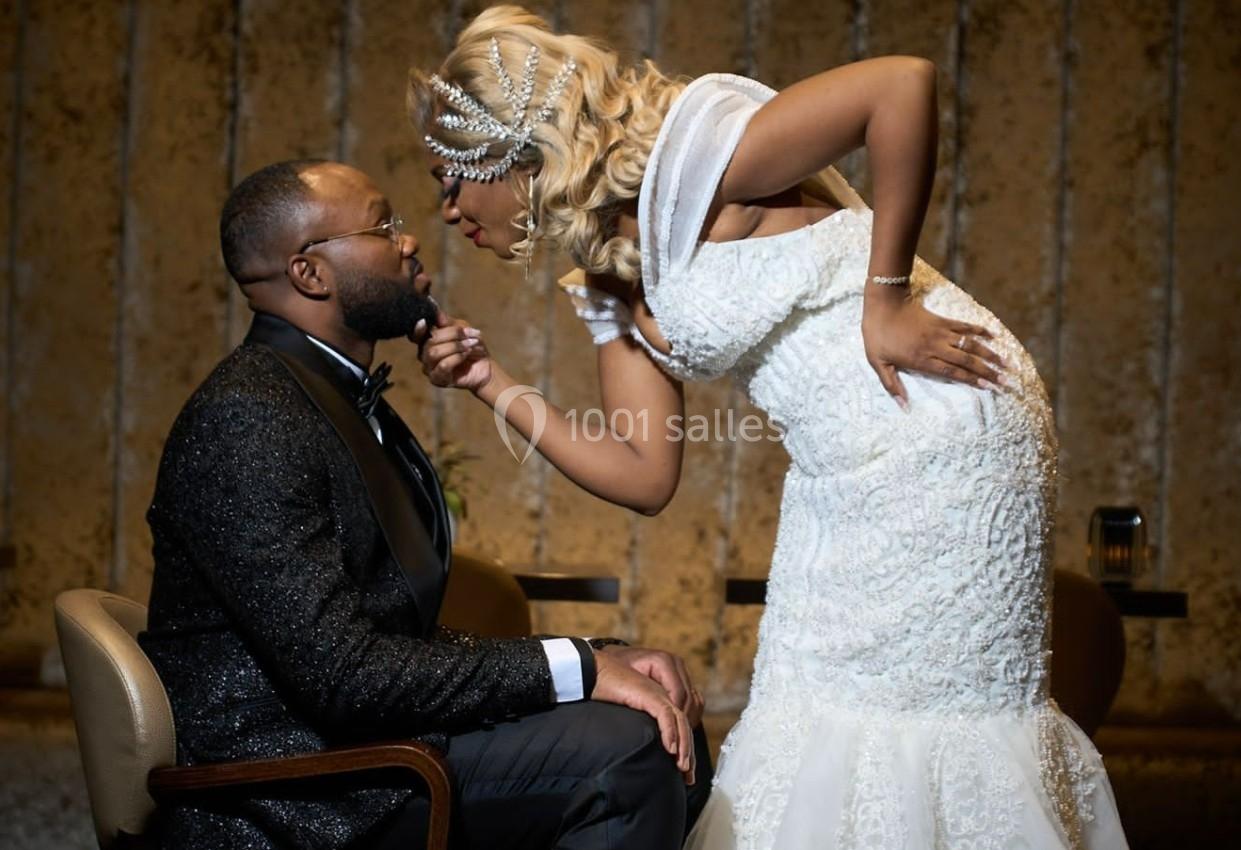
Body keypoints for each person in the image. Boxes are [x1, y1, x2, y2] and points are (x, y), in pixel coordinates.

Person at [406, 6, 1129, 849]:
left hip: (937, 420)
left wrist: (886, 296)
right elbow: (644, 474)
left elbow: (900, 86)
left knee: (917, 717)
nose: (449, 213)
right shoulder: (608, 275)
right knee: (816, 714)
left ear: (513, 151)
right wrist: (491, 383)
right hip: (842, 470)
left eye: (448, 180)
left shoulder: (695, 156)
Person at [139, 158, 712, 850]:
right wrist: (580, 671)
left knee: (667, 723)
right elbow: (345, 675)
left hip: (361, 755)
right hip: (300, 796)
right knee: (629, 757)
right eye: (385, 225)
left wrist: (594, 657)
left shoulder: (321, 396)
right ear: (309, 273)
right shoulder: (249, 416)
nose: (409, 240)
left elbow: (386, 643)